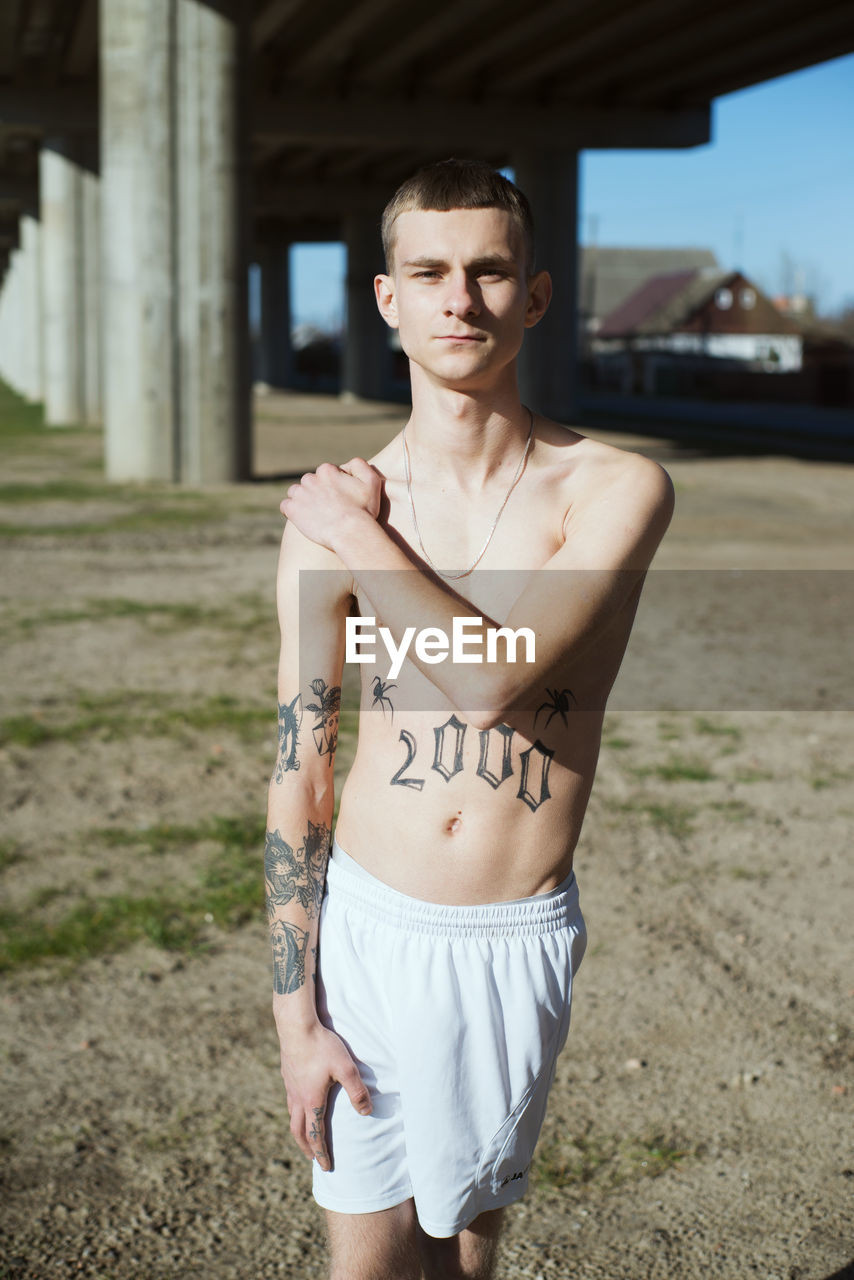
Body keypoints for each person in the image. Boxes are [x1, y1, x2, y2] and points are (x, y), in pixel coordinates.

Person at [266, 158, 674, 1280]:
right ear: (386, 298)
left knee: (455, 1262)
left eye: (489, 271)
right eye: (428, 272)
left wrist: (360, 538)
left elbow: (491, 679)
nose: (461, 299)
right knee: (363, 1267)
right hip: (360, 923)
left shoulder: (608, 486)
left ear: (532, 296)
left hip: (499, 942)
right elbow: (301, 767)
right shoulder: (336, 512)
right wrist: (295, 1015)